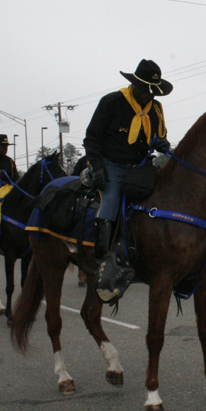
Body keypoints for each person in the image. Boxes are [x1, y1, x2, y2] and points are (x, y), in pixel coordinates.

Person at [84, 59, 172, 303]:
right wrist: (97, 166)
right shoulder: (112, 102)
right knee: (111, 200)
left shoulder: (156, 108)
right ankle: (103, 260)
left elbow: (158, 136)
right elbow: (91, 138)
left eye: (152, 91)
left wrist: (161, 143)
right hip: (112, 164)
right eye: (144, 89)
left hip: (141, 166)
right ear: (134, 84)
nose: (147, 95)